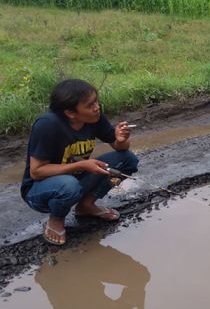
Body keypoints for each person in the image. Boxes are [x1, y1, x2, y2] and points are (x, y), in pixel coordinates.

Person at [20, 79, 138, 246]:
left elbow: (121, 148)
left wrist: (121, 139)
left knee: (128, 159)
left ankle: (86, 205)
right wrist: (82, 165)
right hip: (39, 190)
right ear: (70, 113)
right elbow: (37, 171)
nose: (96, 107)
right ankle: (56, 219)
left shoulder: (94, 118)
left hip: (74, 177)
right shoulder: (47, 125)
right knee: (69, 185)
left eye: (96, 101)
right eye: (90, 105)